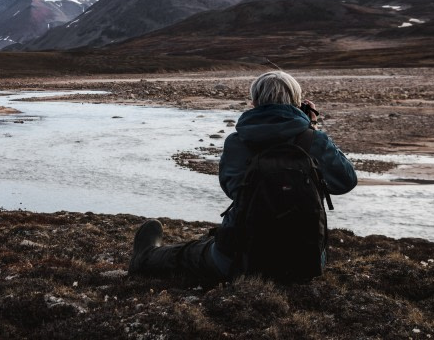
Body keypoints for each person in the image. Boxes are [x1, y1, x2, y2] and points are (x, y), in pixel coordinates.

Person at [128, 70, 357, 283]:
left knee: (189, 254)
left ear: (254, 102)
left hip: (241, 261)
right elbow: (346, 181)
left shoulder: (237, 141)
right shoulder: (313, 140)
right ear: (297, 102)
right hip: (307, 262)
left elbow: (233, 189)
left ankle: (145, 258)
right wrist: (312, 130)